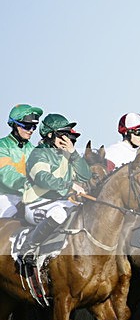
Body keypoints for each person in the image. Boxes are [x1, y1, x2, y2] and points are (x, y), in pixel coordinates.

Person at [20, 113, 91, 265]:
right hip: (36, 204)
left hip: (59, 202)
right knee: (59, 215)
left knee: (86, 212)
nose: (66, 138)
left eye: (67, 134)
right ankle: (28, 249)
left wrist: (73, 153)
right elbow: (43, 178)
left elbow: (85, 176)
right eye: (62, 134)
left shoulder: (66, 154)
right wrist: (69, 185)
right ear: (50, 135)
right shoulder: (38, 153)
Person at [0, 104, 43, 218]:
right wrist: (28, 184)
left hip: (26, 196)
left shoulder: (33, 149)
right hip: (4, 197)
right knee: (13, 216)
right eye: (27, 126)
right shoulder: (2, 146)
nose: (31, 130)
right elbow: (6, 174)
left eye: (34, 127)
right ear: (15, 125)